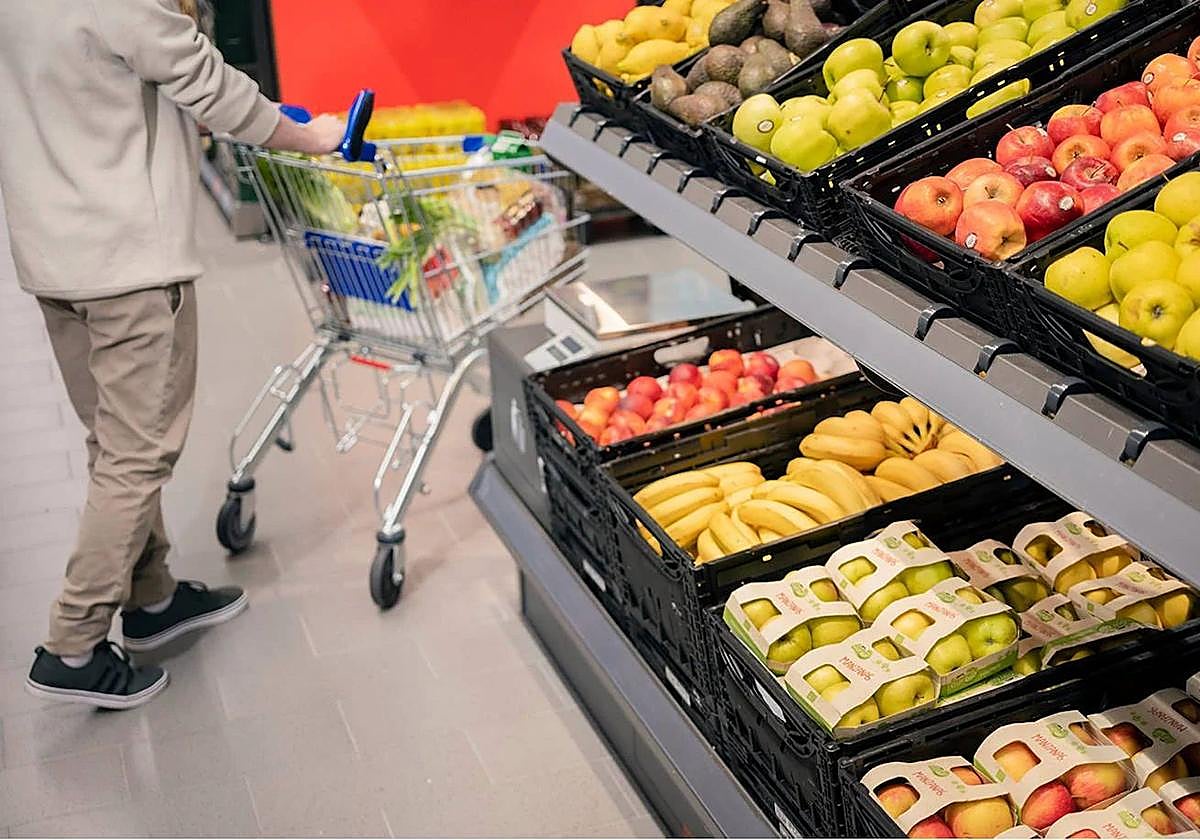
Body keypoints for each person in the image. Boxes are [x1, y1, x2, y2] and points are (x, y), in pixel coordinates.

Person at [0, 0, 346, 709]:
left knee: (114, 440)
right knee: (137, 452)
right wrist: (310, 137)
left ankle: (151, 596)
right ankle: (73, 642)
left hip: (53, 253)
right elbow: (208, 85)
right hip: (127, 263)